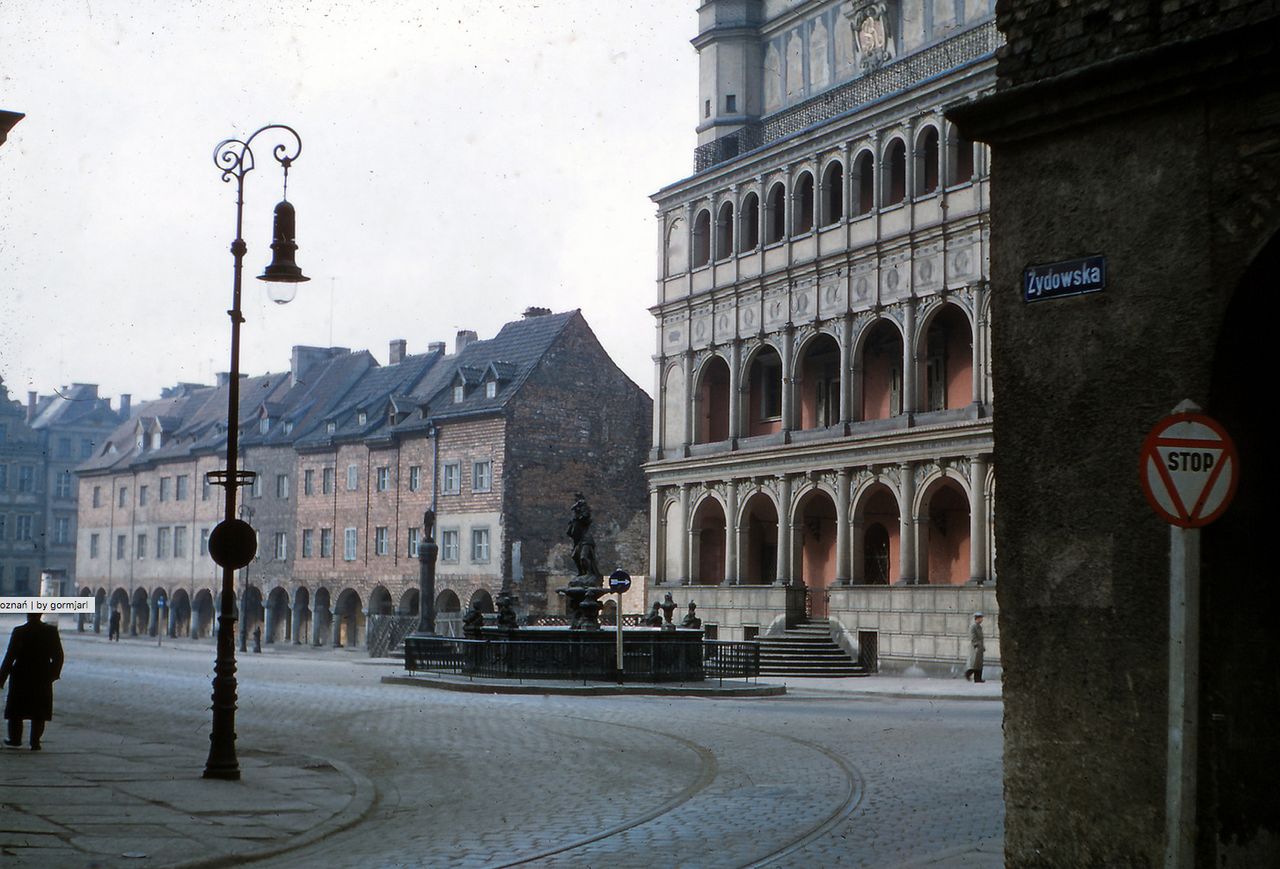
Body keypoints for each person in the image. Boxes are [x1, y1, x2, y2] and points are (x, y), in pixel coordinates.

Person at [0, 613, 65, 750]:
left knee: (16, 710)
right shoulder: (50, 632)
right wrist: (53, 674)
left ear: (28, 615)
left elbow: (10, 656)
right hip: (42, 675)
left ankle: (15, 739)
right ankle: (35, 741)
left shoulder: (20, 631)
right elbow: (58, 656)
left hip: (21, 675)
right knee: (39, 710)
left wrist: (2, 678)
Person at [964, 611, 986, 683]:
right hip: (975, 647)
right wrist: (976, 645)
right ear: (977, 618)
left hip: (980, 647)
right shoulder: (973, 627)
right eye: (980, 618)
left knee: (979, 664)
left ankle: (978, 678)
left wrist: (982, 647)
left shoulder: (979, 627)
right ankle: (968, 674)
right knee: (974, 664)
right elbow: (973, 636)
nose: (982, 620)